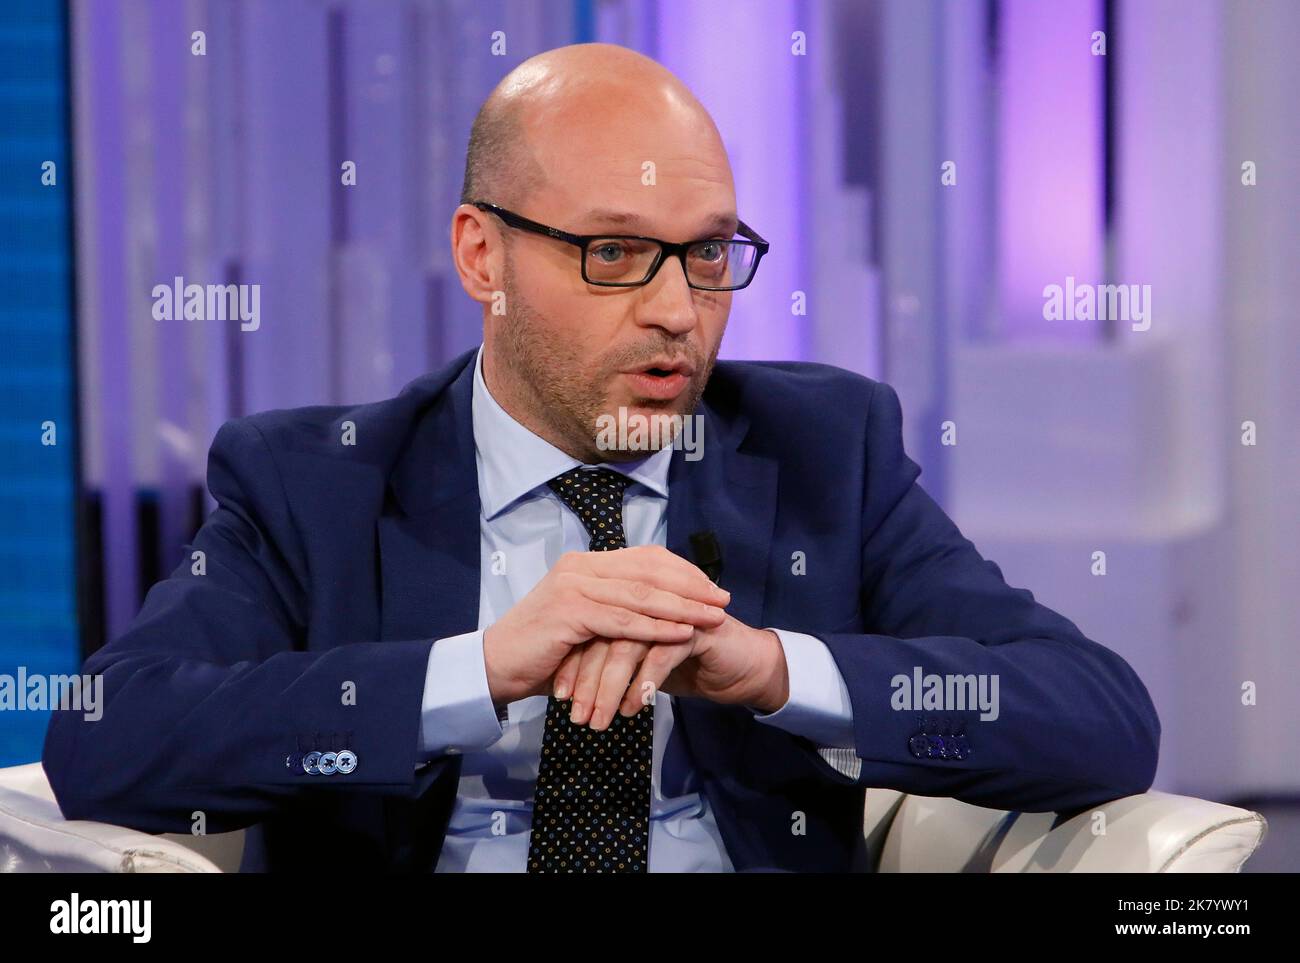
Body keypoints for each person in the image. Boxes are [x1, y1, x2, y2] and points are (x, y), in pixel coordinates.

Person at [43, 42, 1159, 873]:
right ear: (483, 256)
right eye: (616, 253)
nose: (680, 311)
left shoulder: (825, 452)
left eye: (710, 254)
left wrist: (773, 670)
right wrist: (478, 669)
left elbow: (1099, 718)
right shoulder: (315, 481)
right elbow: (108, 740)